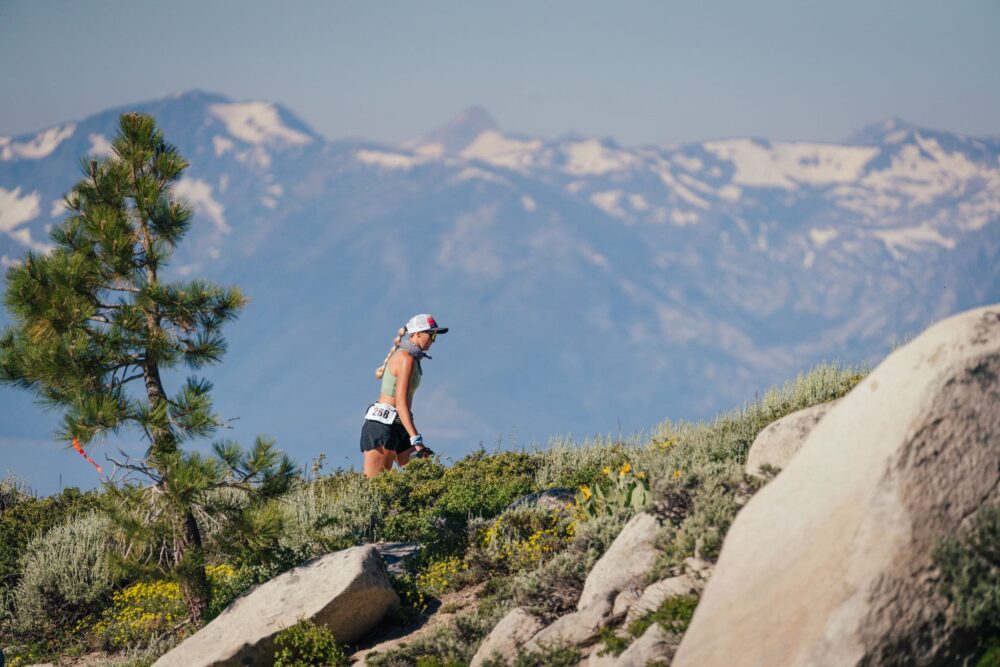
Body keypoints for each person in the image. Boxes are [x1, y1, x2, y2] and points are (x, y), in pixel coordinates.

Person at [361, 314, 448, 477]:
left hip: (399, 425)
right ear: (418, 333)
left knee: (424, 473)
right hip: (382, 427)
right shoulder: (405, 358)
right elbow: (401, 404)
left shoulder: (414, 360)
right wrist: (416, 440)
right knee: (375, 489)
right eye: (432, 335)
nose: (434, 340)